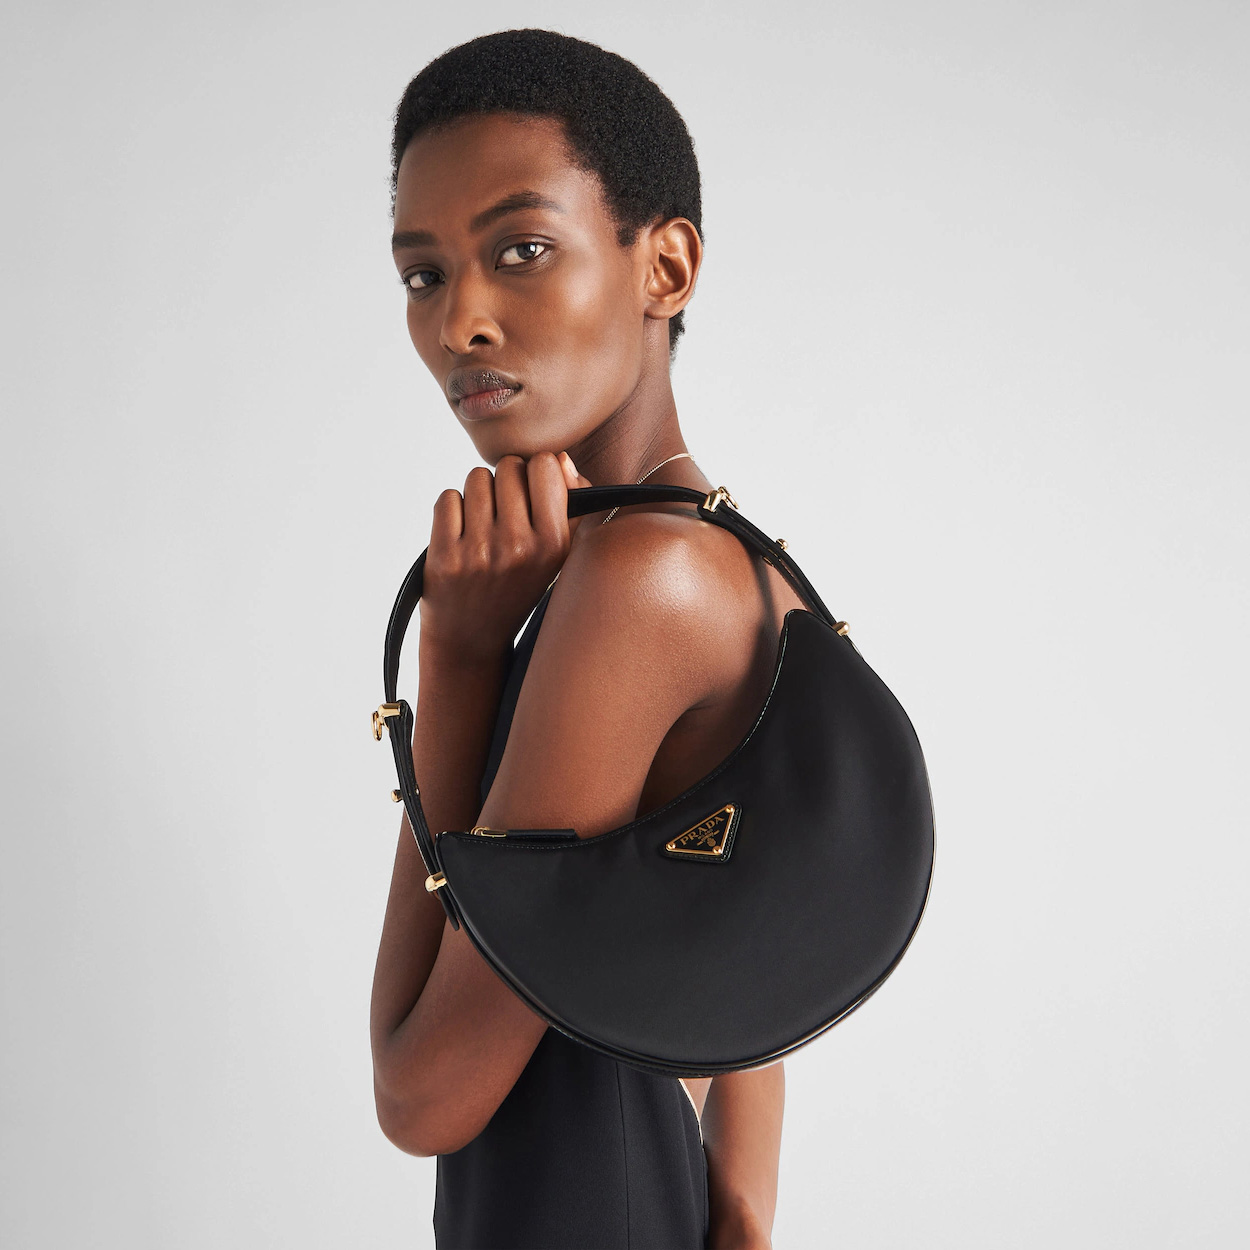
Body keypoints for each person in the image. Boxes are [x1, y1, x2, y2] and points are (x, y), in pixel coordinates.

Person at [370, 29, 797, 1250]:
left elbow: (420, 1093)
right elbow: (756, 952)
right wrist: (734, 1206)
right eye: (423, 274)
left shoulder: (632, 584)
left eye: (520, 249)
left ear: (664, 264)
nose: (460, 322)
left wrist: (456, 662)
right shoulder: (723, 554)